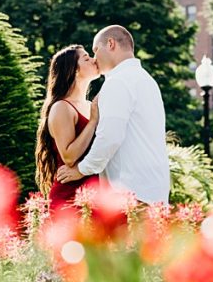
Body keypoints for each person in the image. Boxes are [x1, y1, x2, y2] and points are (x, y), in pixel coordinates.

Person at [55, 25, 170, 205]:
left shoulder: (118, 82)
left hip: (130, 194)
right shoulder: (147, 80)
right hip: (154, 194)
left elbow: (110, 137)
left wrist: (81, 170)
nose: (94, 58)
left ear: (110, 44)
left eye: (95, 50)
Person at [35, 44, 101, 212]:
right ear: (74, 70)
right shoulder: (62, 107)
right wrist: (93, 122)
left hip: (93, 198)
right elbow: (69, 157)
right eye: (86, 58)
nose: (94, 60)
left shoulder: (89, 105)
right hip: (69, 200)